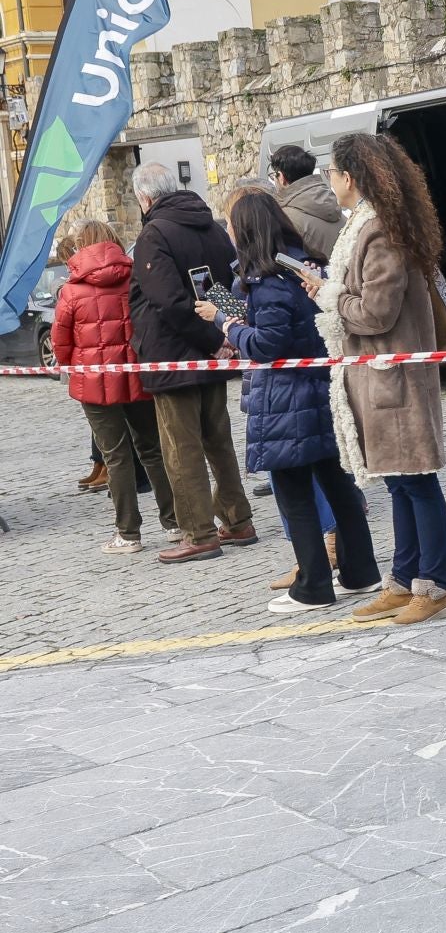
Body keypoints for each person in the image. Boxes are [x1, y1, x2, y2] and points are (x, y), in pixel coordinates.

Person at [202, 193, 382, 613]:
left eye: (230, 224)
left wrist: (224, 321)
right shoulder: (303, 266)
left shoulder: (267, 282)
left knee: (294, 492)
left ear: (245, 230)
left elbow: (267, 342)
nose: (227, 231)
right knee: (338, 486)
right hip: (318, 388)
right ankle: (360, 571)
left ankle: (313, 586)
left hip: (286, 396)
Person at [312, 132, 446, 626]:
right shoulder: (371, 225)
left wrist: (331, 297)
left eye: (331, 173)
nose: (329, 183)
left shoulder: (379, 230)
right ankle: (402, 578)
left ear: (349, 177)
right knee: (400, 485)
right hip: (379, 378)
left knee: (417, 482)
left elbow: (376, 310)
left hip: (394, 376)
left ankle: (434, 584)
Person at [128, 162, 256, 563]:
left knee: (181, 447)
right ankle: (237, 519)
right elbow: (226, 284)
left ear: (145, 198)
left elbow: (168, 301)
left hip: (175, 353)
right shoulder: (212, 226)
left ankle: (198, 531)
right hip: (210, 349)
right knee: (218, 440)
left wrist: (214, 337)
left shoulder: (154, 234)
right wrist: (224, 337)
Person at [51, 220, 179, 554]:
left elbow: (60, 341)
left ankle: (128, 533)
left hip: (93, 383)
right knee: (152, 449)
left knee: (115, 455)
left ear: (82, 244)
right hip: (135, 375)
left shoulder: (71, 289)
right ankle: (174, 522)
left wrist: (71, 367)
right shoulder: (135, 277)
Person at [269, 144, 345, 264]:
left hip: (315, 281)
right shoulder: (333, 201)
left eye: (274, 176)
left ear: (281, 177)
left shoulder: (285, 218)